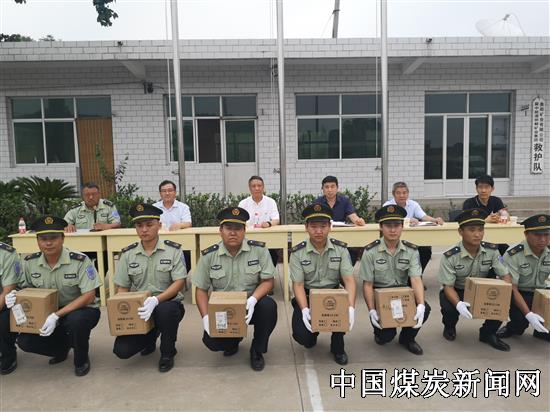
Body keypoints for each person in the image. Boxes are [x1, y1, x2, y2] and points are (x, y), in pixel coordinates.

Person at [7, 216, 101, 376]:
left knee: (76, 322)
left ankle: (81, 359)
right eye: (43, 239)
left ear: (63, 238)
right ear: (37, 241)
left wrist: (56, 315)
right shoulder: (30, 262)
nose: (48, 243)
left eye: (53, 238)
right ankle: (61, 348)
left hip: (79, 309)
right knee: (25, 341)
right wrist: (15, 294)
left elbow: (89, 296)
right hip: (47, 312)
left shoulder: (79, 260)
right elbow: (24, 288)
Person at [193, 207, 277, 371]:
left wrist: (253, 299)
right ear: (220, 231)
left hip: (251, 306)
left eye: (238, 228)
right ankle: (232, 341)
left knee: (268, 306)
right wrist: (205, 317)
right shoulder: (209, 255)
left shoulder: (259, 250)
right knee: (212, 342)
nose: (233, 233)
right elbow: (201, 289)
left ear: (244, 230)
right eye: (228, 228)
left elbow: (268, 281)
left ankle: (257, 350)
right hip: (224, 310)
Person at [112, 203, 187, 373]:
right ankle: (150, 338)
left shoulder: (173, 250)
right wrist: (125, 314)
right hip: (141, 309)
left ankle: (167, 352)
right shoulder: (128, 254)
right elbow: (123, 288)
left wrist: (156, 300)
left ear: (159, 226)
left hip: (167, 304)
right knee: (122, 351)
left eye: (149, 225)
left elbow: (179, 282)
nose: (144, 229)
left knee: (165, 312)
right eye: (139, 225)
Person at [289, 203, 356, 365]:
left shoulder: (340, 249)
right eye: (313, 226)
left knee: (341, 306)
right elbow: (298, 285)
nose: (318, 231)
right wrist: (304, 309)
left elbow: (349, 280)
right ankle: (312, 334)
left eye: (323, 226)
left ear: (330, 227)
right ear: (306, 228)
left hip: (333, 295)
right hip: (308, 296)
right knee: (302, 337)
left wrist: (350, 307)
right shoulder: (298, 252)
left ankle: (338, 346)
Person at [438, 209, 513, 351]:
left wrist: (504, 296)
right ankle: (449, 326)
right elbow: (448, 286)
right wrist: (459, 304)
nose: (477, 234)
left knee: (504, 298)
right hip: (458, 289)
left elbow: (505, 275)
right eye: (472, 230)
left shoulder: (492, 250)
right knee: (448, 307)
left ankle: (488, 333)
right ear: (460, 232)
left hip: (483, 290)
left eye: (480, 229)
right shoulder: (450, 256)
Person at [359, 205, 430, 355]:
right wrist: (372, 310)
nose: (392, 230)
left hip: (403, 293)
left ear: (402, 226)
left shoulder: (411, 250)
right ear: (381, 227)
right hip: (381, 295)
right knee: (386, 337)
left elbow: (416, 279)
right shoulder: (370, 251)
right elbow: (367, 284)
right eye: (388, 225)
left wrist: (421, 305)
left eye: (396, 225)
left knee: (425, 308)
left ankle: (407, 338)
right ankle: (380, 333)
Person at [497, 214, 550, 342]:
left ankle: (542, 331)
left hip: (541, 292)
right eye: (537, 235)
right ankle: (512, 328)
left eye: (547, 234)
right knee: (520, 322)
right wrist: (528, 314)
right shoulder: (514, 254)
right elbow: (512, 288)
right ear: (526, 234)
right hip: (519, 293)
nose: (543, 239)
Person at [383, 181, 444, 272]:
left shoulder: (413, 204)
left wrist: (435, 220)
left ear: (408, 193)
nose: (402, 195)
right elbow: (387, 221)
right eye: (398, 193)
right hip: (394, 238)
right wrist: (407, 220)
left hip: (412, 239)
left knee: (426, 250)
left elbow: (423, 216)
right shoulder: (388, 206)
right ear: (393, 194)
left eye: (404, 193)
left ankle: (417, 274)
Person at [315, 175, 365, 264]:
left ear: (337, 188)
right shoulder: (318, 202)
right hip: (323, 236)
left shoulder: (344, 201)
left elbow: (353, 216)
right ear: (322, 189)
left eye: (332, 186)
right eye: (326, 187)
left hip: (341, 236)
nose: (329, 190)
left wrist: (358, 221)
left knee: (352, 253)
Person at [238, 175, 280, 267]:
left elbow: (276, 219)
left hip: (267, 239)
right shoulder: (243, 203)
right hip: (248, 239)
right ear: (249, 188)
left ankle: (269, 273)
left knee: (272, 256)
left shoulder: (270, 202)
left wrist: (268, 224)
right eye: (253, 186)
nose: (257, 188)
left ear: (263, 187)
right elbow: (239, 221)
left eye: (259, 186)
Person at [0, 242, 21, 375]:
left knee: (3, 319)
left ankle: (8, 354)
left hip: (4, 300)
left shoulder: (6, 253)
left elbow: (8, 290)